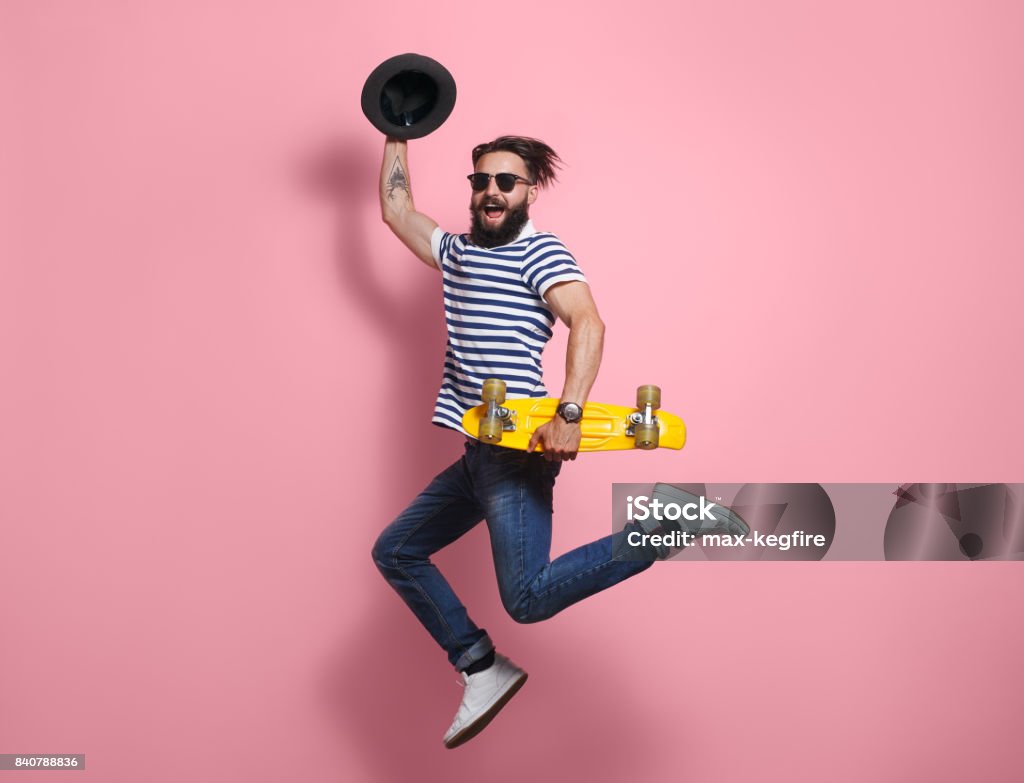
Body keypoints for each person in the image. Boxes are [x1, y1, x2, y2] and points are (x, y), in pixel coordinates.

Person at [370, 135, 656, 749]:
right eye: (481, 182)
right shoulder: (457, 253)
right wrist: (396, 128)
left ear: (529, 191)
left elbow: (588, 320)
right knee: (396, 551)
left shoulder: (539, 252)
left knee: (526, 599)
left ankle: (665, 528)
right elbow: (396, 211)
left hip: (518, 450)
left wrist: (571, 412)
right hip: (477, 452)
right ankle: (480, 664)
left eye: (505, 181)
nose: (491, 191)